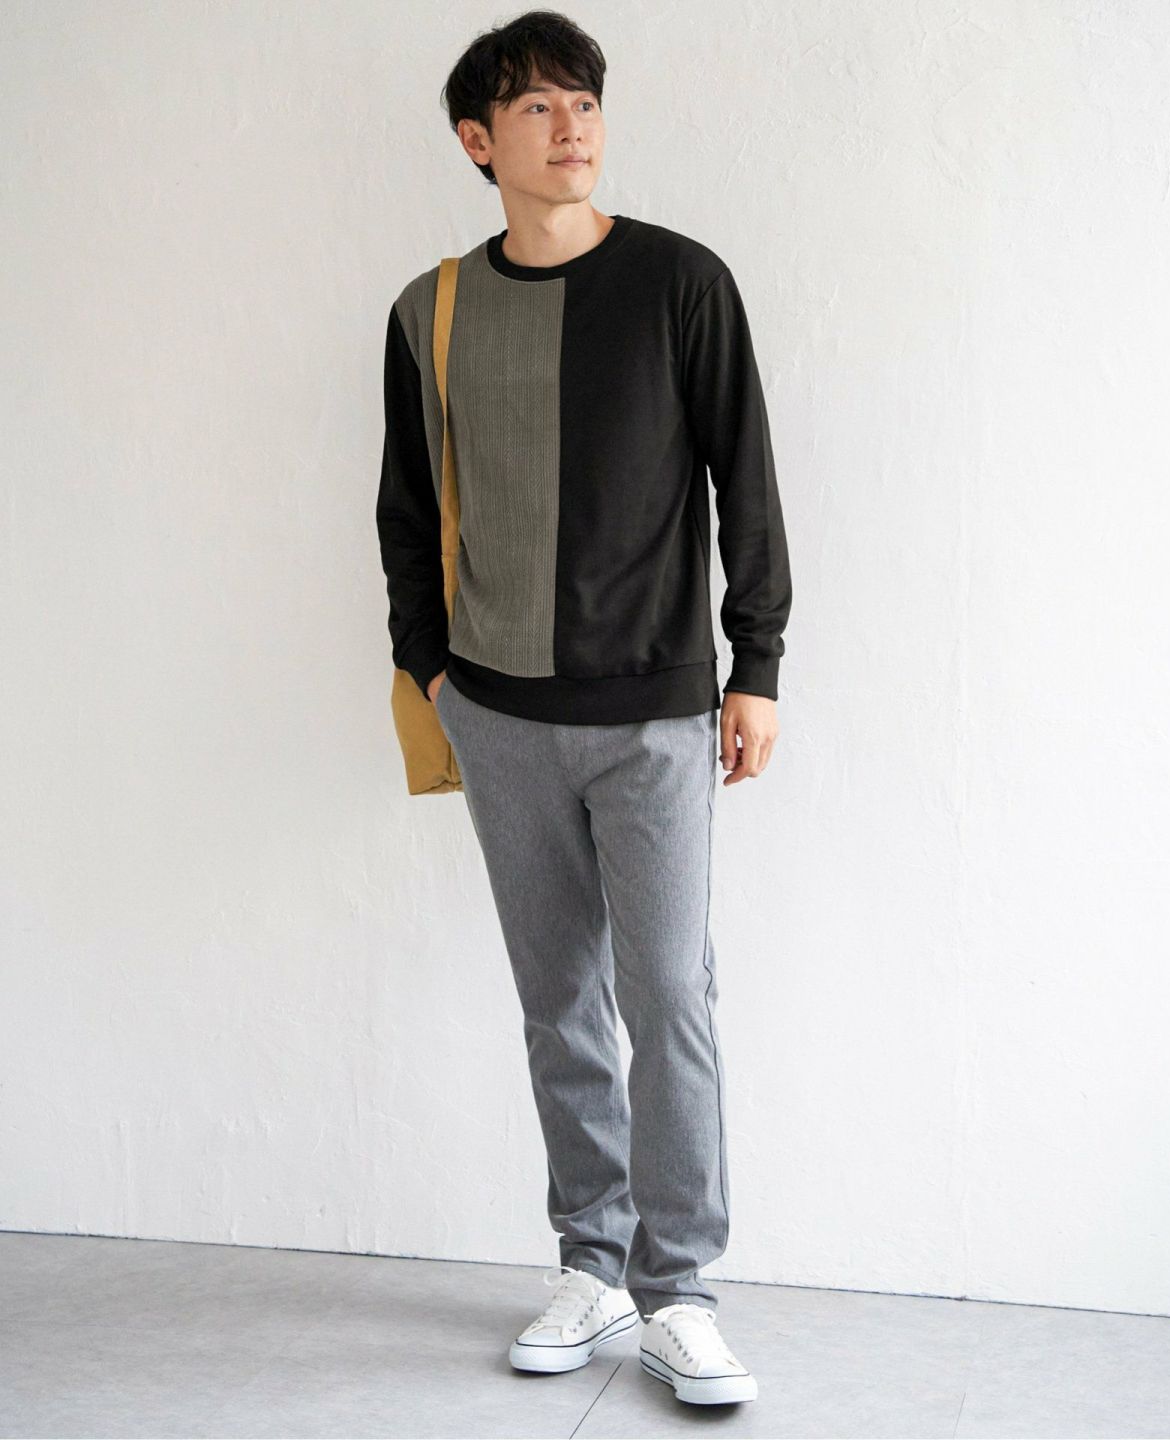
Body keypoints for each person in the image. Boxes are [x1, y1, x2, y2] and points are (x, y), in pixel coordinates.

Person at [375, 8, 791, 1408]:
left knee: (667, 996)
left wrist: (757, 665)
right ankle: (593, 1265)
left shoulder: (682, 281)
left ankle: (682, 1293)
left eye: (585, 102)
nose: (572, 128)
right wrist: (434, 668)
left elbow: (748, 478)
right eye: (537, 108)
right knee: (558, 1002)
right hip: (497, 715)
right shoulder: (429, 310)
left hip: (656, 712)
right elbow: (405, 508)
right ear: (477, 141)